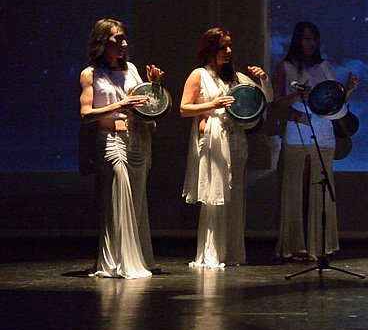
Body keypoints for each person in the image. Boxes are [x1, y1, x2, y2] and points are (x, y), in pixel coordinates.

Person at [180, 27, 272, 268]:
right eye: (223, 46)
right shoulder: (200, 75)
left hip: (236, 141)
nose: (229, 51)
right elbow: (184, 108)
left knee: (235, 195)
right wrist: (213, 104)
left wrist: (263, 79)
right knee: (215, 195)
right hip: (213, 140)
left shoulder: (236, 77)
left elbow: (265, 99)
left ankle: (231, 252)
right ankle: (212, 253)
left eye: (230, 46)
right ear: (211, 49)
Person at [78, 19, 161, 279]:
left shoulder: (131, 70)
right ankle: (116, 261)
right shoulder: (90, 74)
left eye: (125, 38)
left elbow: (146, 106)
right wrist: (119, 106)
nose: (124, 44)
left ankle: (139, 258)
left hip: (136, 140)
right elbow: (86, 114)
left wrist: (155, 87)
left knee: (136, 201)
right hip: (111, 140)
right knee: (117, 198)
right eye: (117, 39)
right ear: (103, 42)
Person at [272, 21, 358, 262]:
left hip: (324, 133)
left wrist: (349, 91)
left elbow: (333, 101)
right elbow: (276, 104)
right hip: (298, 131)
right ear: (297, 40)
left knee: (320, 189)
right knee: (296, 189)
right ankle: (296, 245)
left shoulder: (325, 67)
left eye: (314, 38)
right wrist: (297, 96)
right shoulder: (285, 67)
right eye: (306, 38)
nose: (311, 43)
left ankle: (319, 244)